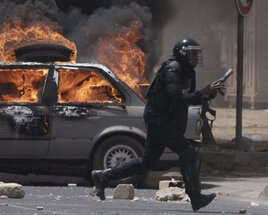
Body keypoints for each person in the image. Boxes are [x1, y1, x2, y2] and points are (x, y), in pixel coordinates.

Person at [91, 38, 225, 211]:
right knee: (187, 151)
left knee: (147, 162)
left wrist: (210, 93)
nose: (196, 58)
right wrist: (204, 92)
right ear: (182, 53)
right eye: (192, 53)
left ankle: (103, 176)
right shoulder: (172, 70)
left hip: (165, 118)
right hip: (158, 117)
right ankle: (196, 197)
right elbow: (176, 98)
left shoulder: (188, 72)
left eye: (196, 54)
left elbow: (190, 99)